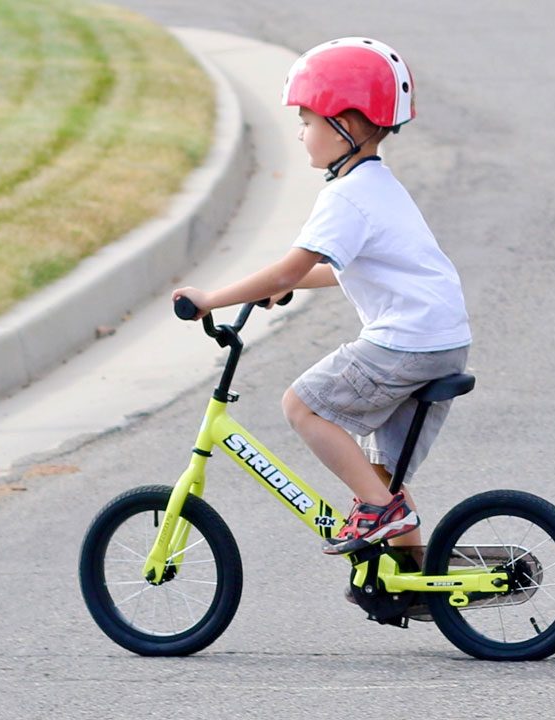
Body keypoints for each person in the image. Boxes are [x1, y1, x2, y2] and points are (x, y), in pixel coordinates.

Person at [173, 37, 471, 556]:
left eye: (309, 121)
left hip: (406, 341)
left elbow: (290, 267)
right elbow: (342, 270)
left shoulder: (346, 196)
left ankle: (382, 513)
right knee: (379, 473)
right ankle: (409, 580)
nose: (302, 132)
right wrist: (281, 290)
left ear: (347, 125)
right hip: (439, 339)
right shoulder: (378, 185)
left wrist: (210, 299)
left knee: (303, 406)